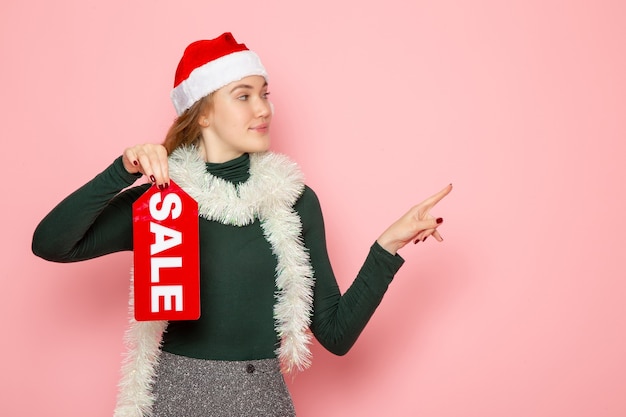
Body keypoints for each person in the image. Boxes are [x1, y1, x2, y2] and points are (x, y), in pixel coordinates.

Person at [32, 32, 452, 417]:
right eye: (243, 96)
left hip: (262, 401)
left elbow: (336, 335)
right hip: (176, 399)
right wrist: (123, 170)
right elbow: (51, 243)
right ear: (202, 115)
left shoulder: (295, 201)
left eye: (264, 94)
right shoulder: (160, 203)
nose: (263, 108)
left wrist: (387, 247)